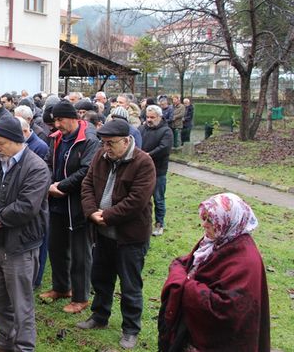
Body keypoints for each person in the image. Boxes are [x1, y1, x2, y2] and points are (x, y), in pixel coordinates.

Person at [0, 117, 50, 352]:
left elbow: (26, 207)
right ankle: (7, 339)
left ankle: (24, 347)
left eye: (2, 143)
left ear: (18, 140)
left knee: (21, 305)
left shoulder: (36, 167)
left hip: (21, 246)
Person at [78, 119, 156, 350]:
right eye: (103, 143)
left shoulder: (144, 162)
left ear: (126, 140)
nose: (106, 148)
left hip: (130, 237)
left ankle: (131, 329)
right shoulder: (101, 156)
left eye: (111, 143)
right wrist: (92, 212)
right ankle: (99, 316)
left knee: (130, 284)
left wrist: (107, 215)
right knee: (101, 277)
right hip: (102, 233)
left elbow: (137, 201)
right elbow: (87, 185)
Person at [158, 193, 270, 352]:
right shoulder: (219, 239)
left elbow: (227, 310)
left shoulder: (245, 260)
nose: (204, 225)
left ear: (229, 221)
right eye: (203, 218)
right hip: (191, 331)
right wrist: (181, 272)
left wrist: (184, 283)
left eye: (210, 220)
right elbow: (191, 262)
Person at [40, 102, 100, 314]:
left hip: (77, 204)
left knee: (80, 253)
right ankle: (61, 287)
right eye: (54, 121)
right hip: (56, 203)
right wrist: (49, 184)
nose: (56, 125)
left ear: (73, 118)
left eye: (60, 120)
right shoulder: (56, 138)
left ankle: (81, 296)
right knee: (56, 247)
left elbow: (86, 170)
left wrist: (62, 187)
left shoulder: (89, 139)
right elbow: (48, 163)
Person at [139, 105, 173, 236]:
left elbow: (164, 148)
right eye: (147, 117)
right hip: (142, 171)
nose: (149, 120)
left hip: (158, 171)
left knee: (158, 199)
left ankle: (159, 224)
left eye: (152, 117)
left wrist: (148, 155)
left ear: (159, 117)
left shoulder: (166, 131)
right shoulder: (142, 129)